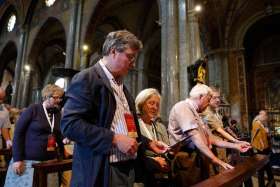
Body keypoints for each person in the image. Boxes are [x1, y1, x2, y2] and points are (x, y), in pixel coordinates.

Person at [61, 30, 167, 187]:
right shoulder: (87, 78)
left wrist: (148, 143)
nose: (133, 63)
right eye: (130, 57)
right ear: (113, 51)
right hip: (102, 169)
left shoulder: (122, 87)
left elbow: (125, 128)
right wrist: (114, 139)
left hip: (126, 167)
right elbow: (70, 125)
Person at [168, 84, 251, 181]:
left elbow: (212, 139)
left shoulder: (197, 113)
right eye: (208, 99)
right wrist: (217, 161)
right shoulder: (182, 107)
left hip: (197, 159)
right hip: (186, 160)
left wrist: (236, 145)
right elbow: (195, 138)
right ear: (200, 97)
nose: (209, 103)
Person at [4, 84, 65, 187]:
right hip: (28, 162)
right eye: (56, 97)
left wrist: (63, 149)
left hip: (49, 161)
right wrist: (17, 158)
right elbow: (19, 133)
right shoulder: (33, 109)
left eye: (60, 98)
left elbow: (57, 135)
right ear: (46, 96)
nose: (59, 100)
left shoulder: (57, 113)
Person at [201, 87, 250, 172]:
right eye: (214, 97)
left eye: (219, 97)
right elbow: (219, 130)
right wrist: (236, 141)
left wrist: (235, 140)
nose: (218, 100)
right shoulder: (207, 113)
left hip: (221, 146)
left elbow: (224, 128)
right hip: (213, 149)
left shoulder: (215, 112)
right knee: (216, 175)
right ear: (208, 99)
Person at [135, 88, 170, 186]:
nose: (155, 107)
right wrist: (154, 161)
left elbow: (166, 150)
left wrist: (171, 153)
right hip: (142, 175)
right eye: (151, 103)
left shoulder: (161, 127)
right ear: (141, 104)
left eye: (157, 105)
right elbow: (134, 152)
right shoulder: (134, 124)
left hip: (161, 177)